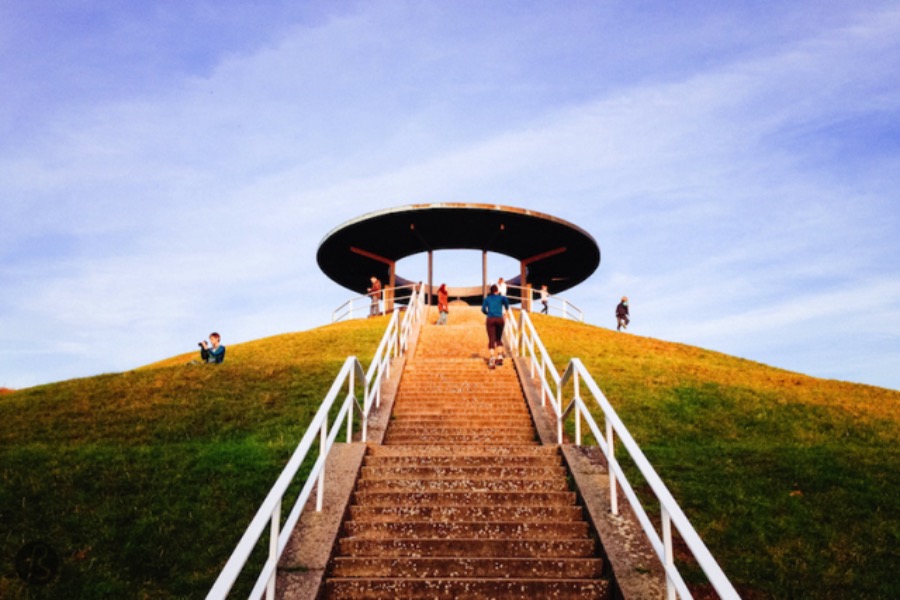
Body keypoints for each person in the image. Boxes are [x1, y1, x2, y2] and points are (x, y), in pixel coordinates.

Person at [482, 284, 510, 368]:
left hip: (490, 319)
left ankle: (492, 358)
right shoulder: (501, 297)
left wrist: (488, 313)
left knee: (491, 339)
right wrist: (506, 311)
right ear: (497, 290)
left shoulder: (487, 299)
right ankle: (500, 356)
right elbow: (506, 302)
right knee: (498, 338)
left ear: (491, 291)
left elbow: (483, 309)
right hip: (499, 318)